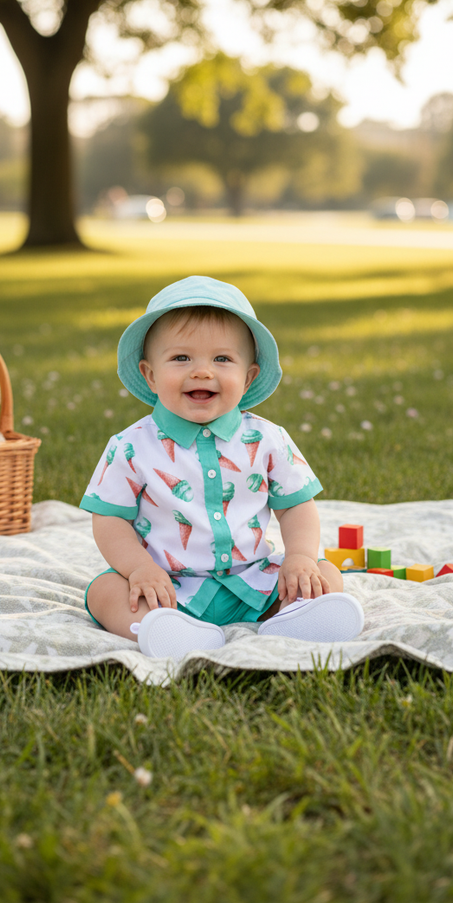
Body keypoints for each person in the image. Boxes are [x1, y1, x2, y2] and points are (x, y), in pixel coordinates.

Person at [80, 276, 364, 659]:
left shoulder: (267, 438)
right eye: (181, 358)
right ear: (149, 374)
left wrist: (299, 557)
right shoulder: (130, 446)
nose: (201, 371)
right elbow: (109, 520)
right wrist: (138, 569)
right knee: (104, 591)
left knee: (324, 573)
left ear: (248, 378)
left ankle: (295, 618)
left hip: (256, 581)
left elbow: (296, 506)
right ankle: (167, 632)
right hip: (167, 588)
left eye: (222, 359)